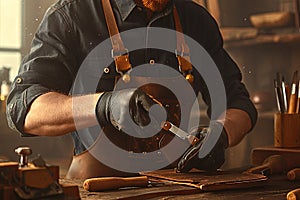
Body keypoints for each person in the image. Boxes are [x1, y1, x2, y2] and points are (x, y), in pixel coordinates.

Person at [6, 0, 257, 179]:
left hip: (179, 188)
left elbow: (238, 103)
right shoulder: (71, 15)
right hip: (97, 190)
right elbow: (24, 109)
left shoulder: (196, 20)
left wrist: (222, 133)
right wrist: (105, 106)